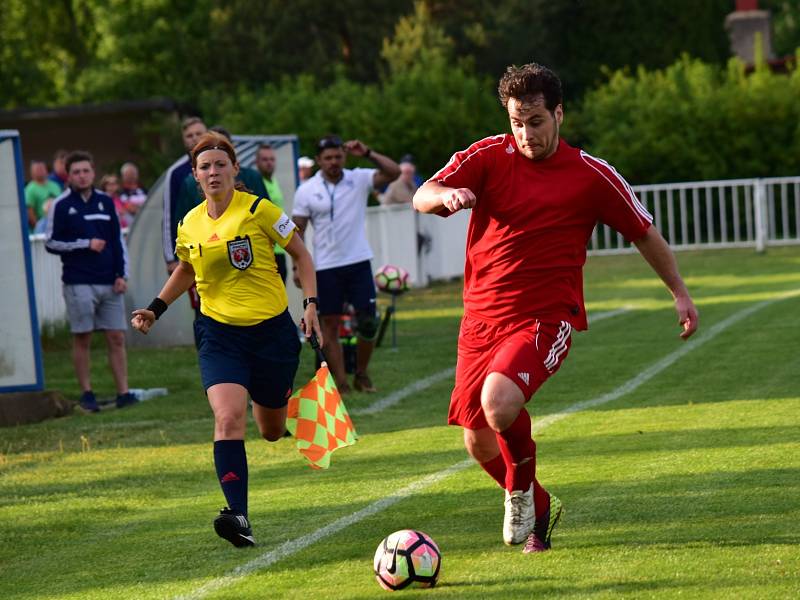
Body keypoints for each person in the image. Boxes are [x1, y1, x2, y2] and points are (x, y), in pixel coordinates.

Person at [413, 62, 699, 554]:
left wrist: (679, 291)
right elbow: (422, 194)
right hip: (479, 320)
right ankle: (540, 506)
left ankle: (520, 493)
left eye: (536, 121)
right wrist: (447, 194)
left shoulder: (591, 175)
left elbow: (644, 232)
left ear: (559, 114)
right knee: (478, 442)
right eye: (517, 122)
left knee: (499, 402)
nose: (526, 133)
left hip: (545, 317)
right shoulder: (487, 155)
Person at [131, 133, 322, 548]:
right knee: (227, 418)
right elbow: (185, 269)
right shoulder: (190, 222)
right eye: (205, 167)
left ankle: (293, 413)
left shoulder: (260, 209)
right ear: (195, 176)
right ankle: (239, 516)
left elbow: (302, 255)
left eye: (220, 164)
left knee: (271, 430)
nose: (213, 172)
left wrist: (309, 304)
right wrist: (154, 308)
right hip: (218, 334)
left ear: (235, 169)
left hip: (271, 333)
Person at [292, 135, 400, 393]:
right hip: (325, 266)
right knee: (329, 324)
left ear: (345, 156)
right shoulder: (306, 190)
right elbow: (296, 231)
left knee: (368, 322)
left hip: (358, 260)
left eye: (338, 156)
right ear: (318, 160)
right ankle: (341, 383)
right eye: (327, 158)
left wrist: (368, 152)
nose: (333, 162)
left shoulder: (359, 178)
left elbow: (394, 172)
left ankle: (361, 374)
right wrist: (298, 265)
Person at [45, 151, 137, 412]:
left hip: (109, 280)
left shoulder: (107, 203)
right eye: (76, 172)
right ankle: (87, 392)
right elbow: (51, 242)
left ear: (93, 172)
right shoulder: (61, 205)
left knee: (117, 336)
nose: (82, 176)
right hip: (78, 281)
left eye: (86, 171)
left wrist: (122, 274)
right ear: (69, 175)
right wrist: (84, 244)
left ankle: (124, 392)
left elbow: (118, 241)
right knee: (83, 336)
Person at [163, 116, 208, 272]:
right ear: (183, 141)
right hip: (192, 249)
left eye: (198, 133)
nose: (194, 138)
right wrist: (171, 258)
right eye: (189, 135)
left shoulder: (220, 164)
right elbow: (169, 217)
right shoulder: (176, 173)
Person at [255, 143, 288, 282]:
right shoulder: (256, 182)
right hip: (266, 251)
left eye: (272, 159)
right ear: (257, 162)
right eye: (265, 159)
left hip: (280, 248)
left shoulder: (273, 181)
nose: (269, 163)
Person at [24, 159, 62, 231]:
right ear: (32, 172)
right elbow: (29, 213)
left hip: (57, 226)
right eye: (37, 169)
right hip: (41, 229)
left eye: (41, 168)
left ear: (46, 170)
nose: (40, 171)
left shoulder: (55, 186)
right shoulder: (30, 189)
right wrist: (39, 229)